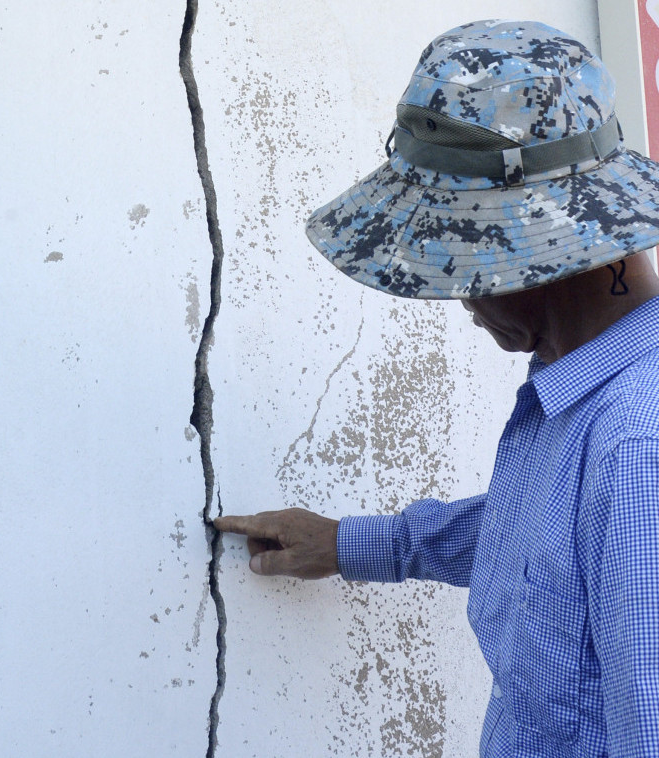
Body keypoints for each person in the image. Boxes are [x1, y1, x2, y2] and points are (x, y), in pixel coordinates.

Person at [214, 20, 659, 757]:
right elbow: (559, 545)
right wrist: (356, 544)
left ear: (552, 255)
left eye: (468, 271)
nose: (464, 304)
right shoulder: (592, 406)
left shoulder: (638, 445)